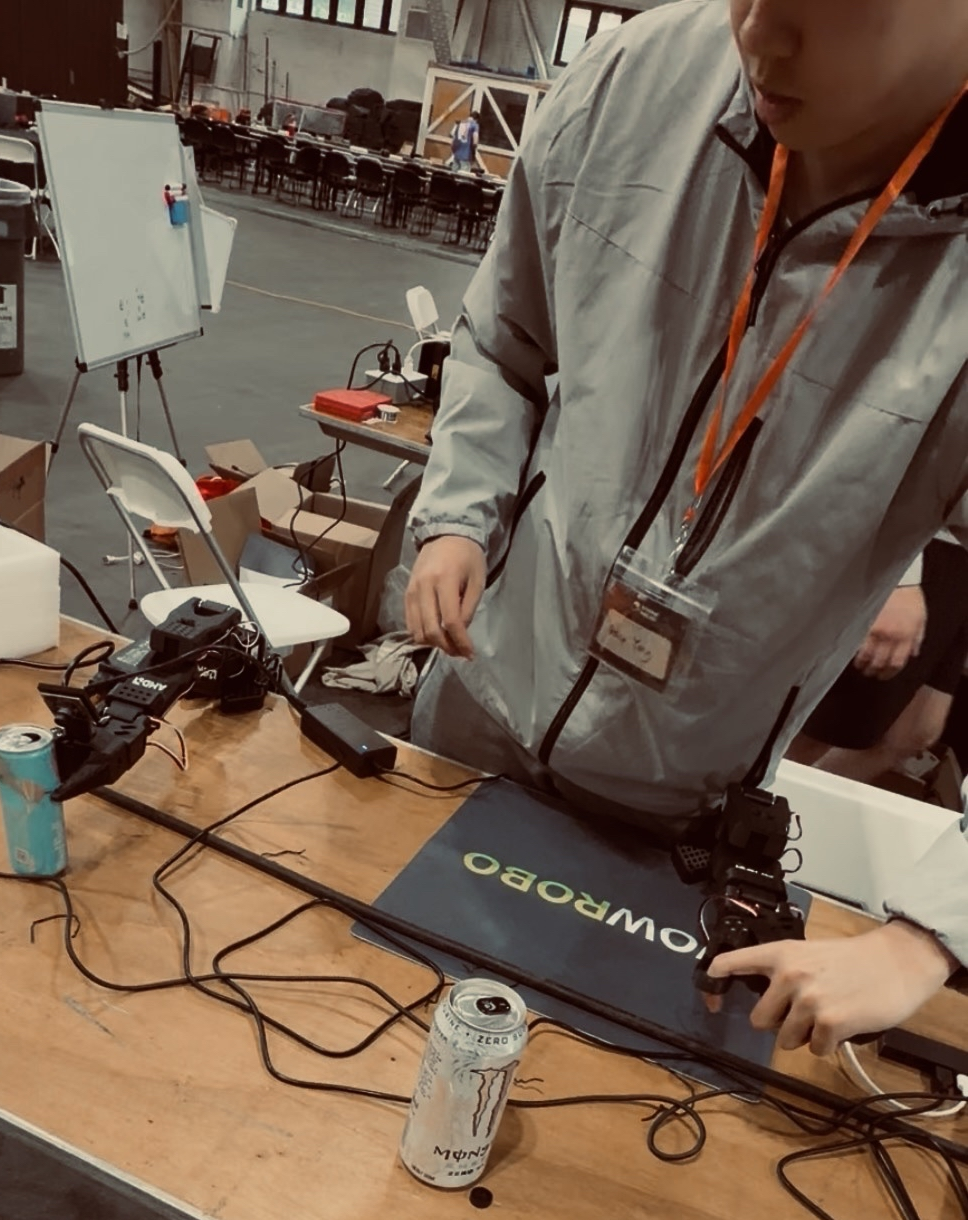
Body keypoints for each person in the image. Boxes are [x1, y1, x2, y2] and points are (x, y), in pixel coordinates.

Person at [403, 0, 968, 1057]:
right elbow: (504, 337)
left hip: (672, 808)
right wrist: (459, 517)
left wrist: (929, 936)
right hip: (471, 711)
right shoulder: (639, 77)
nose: (758, 36)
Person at [789, 537, 968, 785]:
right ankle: (759, 794)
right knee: (822, 730)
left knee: (917, 731)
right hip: (929, 544)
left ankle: (800, 796)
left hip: (960, 566)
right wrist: (901, 580)